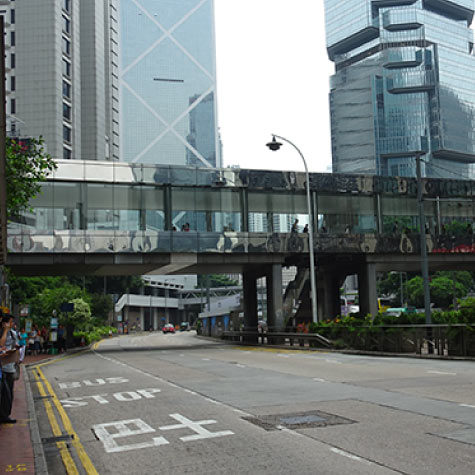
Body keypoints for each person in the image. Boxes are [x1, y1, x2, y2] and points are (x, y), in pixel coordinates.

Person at [0, 314, 19, 424]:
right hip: (3, 366)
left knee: (8, 393)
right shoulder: (3, 332)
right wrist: (5, 331)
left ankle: (5, 414)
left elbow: (14, 345)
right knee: (5, 393)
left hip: (10, 365)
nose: (12, 324)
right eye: (10, 322)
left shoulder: (13, 333)